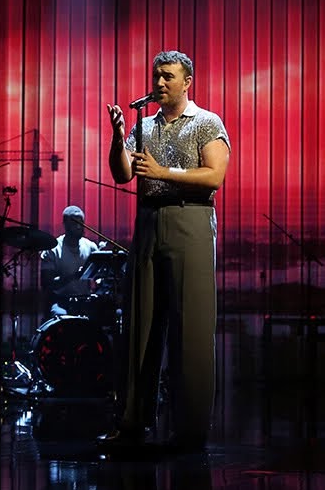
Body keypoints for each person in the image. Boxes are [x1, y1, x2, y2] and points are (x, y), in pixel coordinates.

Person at [99, 50, 231, 454]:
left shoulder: (206, 122)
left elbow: (215, 175)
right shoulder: (145, 125)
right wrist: (118, 136)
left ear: (187, 81)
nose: (159, 83)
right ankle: (131, 420)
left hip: (190, 219)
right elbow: (122, 174)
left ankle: (190, 430)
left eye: (168, 76)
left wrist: (163, 172)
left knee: (191, 329)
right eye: (156, 76)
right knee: (139, 325)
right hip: (149, 221)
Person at [39, 205, 100, 318]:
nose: (79, 227)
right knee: (61, 317)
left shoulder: (91, 247)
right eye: (74, 223)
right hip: (61, 301)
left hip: (86, 301)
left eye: (81, 223)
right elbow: (47, 284)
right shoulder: (53, 249)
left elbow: (100, 277)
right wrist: (75, 276)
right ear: (65, 225)